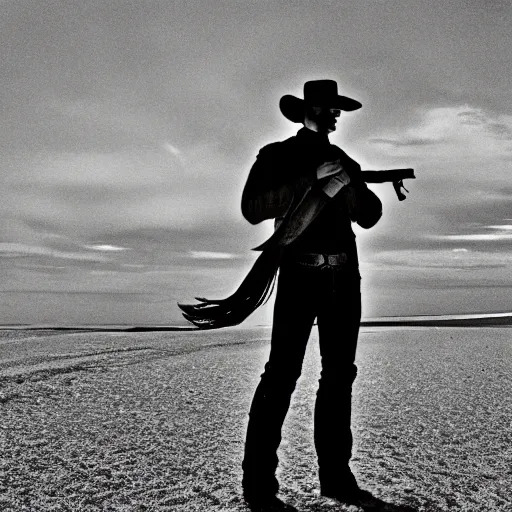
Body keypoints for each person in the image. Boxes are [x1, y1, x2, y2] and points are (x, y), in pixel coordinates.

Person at [240, 79, 383, 510]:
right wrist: (311, 180)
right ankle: (259, 485)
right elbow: (253, 208)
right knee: (281, 375)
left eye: (338, 109)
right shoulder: (277, 155)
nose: (336, 114)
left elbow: (371, 215)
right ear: (307, 110)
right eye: (328, 107)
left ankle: (336, 478)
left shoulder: (345, 159)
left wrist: (348, 184)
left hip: (344, 279)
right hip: (299, 277)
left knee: (339, 379)